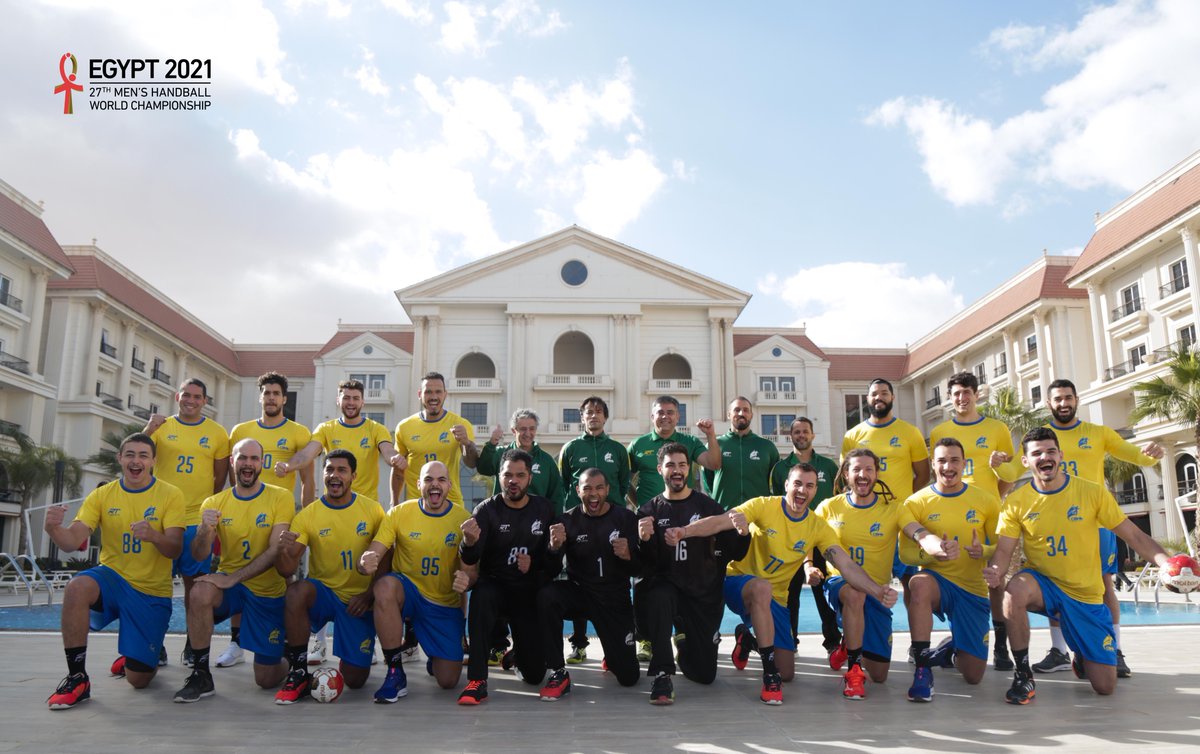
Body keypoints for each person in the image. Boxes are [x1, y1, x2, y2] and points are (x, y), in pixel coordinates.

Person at [983, 427, 1173, 704]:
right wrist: (996, 571)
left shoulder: (1092, 493)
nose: (1044, 457)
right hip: (1044, 583)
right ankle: (1023, 675)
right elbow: (1003, 549)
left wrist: (1167, 563)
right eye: (1036, 453)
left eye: (1050, 451)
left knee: (1105, 686)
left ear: (1060, 455)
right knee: (1014, 591)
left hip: (1085, 595)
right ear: (1025, 461)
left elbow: (1134, 536)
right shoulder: (1016, 502)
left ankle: (1083, 654)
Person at [678, 462, 890, 705]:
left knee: (787, 672)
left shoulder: (817, 527)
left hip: (775, 599)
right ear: (787, 485)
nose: (802, 490)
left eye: (809, 486)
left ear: (814, 491)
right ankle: (770, 677)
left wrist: (877, 591)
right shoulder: (763, 506)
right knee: (761, 588)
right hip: (740, 584)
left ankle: (748, 639)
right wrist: (683, 532)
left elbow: (845, 564)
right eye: (797, 483)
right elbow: (718, 522)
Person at [994, 378, 1163, 678]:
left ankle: (1115, 649)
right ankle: (1060, 650)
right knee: (1054, 577)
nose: (1063, 403)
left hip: (1094, 520)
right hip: (1051, 517)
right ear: (1049, 403)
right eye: (1057, 399)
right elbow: (1012, 471)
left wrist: (1148, 454)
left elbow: (1131, 453)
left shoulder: (1097, 433)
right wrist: (996, 465)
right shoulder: (1038, 440)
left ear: (1076, 399)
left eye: (1068, 397)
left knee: (1104, 584)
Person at [44, 433, 185, 709]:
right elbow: (73, 541)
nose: (136, 461)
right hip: (113, 578)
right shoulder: (103, 494)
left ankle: (140, 653)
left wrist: (154, 535)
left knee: (139, 679)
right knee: (77, 587)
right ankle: (77, 678)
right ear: (120, 458)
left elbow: (175, 549)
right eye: (130, 454)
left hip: (150, 592)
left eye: (143, 455)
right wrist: (53, 529)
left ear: (154, 461)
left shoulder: (170, 494)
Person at [276, 378, 401, 663]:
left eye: (356, 398)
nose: (351, 402)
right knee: (322, 567)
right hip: (331, 507)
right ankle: (316, 640)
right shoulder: (327, 429)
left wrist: (396, 460)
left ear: (363, 402)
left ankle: (367, 638)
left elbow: (387, 451)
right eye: (346, 397)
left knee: (370, 567)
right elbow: (309, 453)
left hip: (364, 511)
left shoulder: (375, 428)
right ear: (338, 401)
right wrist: (290, 465)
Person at [172, 439, 294, 702]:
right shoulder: (214, 502)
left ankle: (288, 657)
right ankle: (201, 673)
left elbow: (275, 551)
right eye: (242, 458)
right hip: (233, 587)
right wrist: (205, 530)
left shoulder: (280, 497)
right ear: (232, 462)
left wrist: (233, 577)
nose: (248, 464)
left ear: (262, 463)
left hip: (267, 590)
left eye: (253, 459)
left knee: (266, 679)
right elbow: (199, 554)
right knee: (199, 592)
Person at [636, 443, 750, 705]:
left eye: (682, 465)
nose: (677, 471)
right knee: (659, 595)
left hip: (702, 595)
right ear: (659, 469)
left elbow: (735, 552)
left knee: (704, 674)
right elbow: (643, 566)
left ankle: (683, 641)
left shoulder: (709, 507)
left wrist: (743, 533)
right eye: (670, 465)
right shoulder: (648, 511)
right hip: (668, 590)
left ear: (690, 468)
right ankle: (662, 673)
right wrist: (643, 541)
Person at [272, 450, 385, 704]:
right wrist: (282, 550)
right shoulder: (309, 514)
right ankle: (298, 670)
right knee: (296, 591)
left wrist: (369, 596)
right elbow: (287, 570)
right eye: (329, 469)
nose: (334, 475)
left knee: (355, 681)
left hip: (357, 602)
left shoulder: (372, 510)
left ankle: (358, 651)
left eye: (342, 470)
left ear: (353, 476)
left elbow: (386, 559)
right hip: (324, 594)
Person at [898, 438, 1001, 702]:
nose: (948, 466)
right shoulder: (915, 502)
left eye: (954, 460)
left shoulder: (986, 501)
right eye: (942, 460)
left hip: (973, 589)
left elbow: (998, 546)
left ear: (964, 464)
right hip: (938, 582)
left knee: (973, 675)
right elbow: (906, 554)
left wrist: (984, 552)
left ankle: (950, 649)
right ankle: (922, 667)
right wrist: (933, 554)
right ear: (933, 465)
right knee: (918, 583)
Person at [223, 371, 315, 668]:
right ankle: (236, 643)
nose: (272, 398)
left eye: (277, 393)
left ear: (284, 399)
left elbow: (308, 479)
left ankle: (286, 639)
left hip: (280, 515)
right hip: (242, 512)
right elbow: (231, 472)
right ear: (260, 397)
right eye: (267, 393)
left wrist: (307, 515)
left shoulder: (299, 432)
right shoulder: (241, 430)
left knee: (283, 574)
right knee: (238, 570)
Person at [361, 460, 473, 702]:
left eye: (441, 480)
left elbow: (469, 572)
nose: (435, 484)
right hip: (408, 593)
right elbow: (375, 550)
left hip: (442, 604)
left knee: (448, 681)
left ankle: (434, 651)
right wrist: (367, 559)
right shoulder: (400, 512)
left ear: (449, 485)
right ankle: (394, 671)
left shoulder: (462, 519)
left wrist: (467, 579)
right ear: (418, 483)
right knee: (385, 587)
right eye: (429, 479)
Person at [929, 371, 1019, 671]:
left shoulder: (997, 428)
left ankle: (1001, 645)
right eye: (956, 393)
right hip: (951, 513)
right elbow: (938, 473)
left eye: (967, 392)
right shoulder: (939, 431)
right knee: (955, 573)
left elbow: (1011, 473)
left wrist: (994, 496)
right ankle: (959, 640)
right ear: (950, 397)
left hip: (988, 514)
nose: (961, 398)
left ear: (976, 395)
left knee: (995, 576)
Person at [457, 449, 557, 705]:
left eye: (520, 475)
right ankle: (477, 680)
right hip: (496, 589)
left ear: (529, 479)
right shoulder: (486, 510)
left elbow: (554, 565)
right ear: (499, 477)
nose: (513, 480)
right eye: (508, 475)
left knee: (535, 676)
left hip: (527, 593)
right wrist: (468, 543)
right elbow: (470, 560)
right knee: (482, 595)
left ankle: (516, 657)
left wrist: (535, 564)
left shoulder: (544, 510)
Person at [626, 395, 720, 662]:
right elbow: (625, 481)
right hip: (651, 521)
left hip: (686, 519)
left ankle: (682, 630)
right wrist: (640, 506)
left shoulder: (688, 442)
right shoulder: (638, 445)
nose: (665, 416)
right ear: (652, 416)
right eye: (660, 412)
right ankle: (645, 637)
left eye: (670, 412)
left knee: (685, 574)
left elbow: (714, 463)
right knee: (645, 578)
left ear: (678, 417)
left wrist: (711, 435)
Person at [145, 377, 231, 667]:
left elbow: (219, 478)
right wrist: (148, 427)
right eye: (186, 395)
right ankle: (154, 644)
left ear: (205, 401)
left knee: (195, 588)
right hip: (163, 520)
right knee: (157, 587)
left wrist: (206, 510)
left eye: (197, 396)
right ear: (177, 396)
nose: (191, 400)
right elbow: (138, 455)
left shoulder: (217, 433)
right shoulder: (161, 427)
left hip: (196, 521)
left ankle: (193, 646)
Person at [536, 468, 642, 700]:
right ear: (577, 491)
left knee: (628, 677)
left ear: (608, 490)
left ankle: (613, 653)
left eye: (598, 488)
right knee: (547, 595)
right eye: (587, 488)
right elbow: (551, 571)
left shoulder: (625, 519)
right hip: (581, 595)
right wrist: (554, 548)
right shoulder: (566, 521)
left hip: (615, 599)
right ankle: (557, 670)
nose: (593, 494)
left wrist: (629, 556)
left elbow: (640, 569)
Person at [476, 409, 567, 665]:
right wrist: (492, 443)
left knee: (532, 591)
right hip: (502, 533)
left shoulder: (546, 462)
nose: (526, 433)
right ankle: (497, 644)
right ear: (513, 430)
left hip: (535, 536)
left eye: (531, 429)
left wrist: (554, 530)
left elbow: (556, 495)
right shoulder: (502, 455)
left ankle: (525, 647)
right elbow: (482, 466)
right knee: (493, 585)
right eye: (521, 429)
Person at [815, 449, 904, 699]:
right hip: (839, 583)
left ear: (876, 473)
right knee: (855, 595)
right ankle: (853, 670)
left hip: (877, 591)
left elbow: (916, 530)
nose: (862, 475)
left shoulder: (893, 508)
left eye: (869, 469)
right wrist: (808, 565)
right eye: (856, 469)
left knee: (880, 675)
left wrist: (935, 544)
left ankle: (848, 644)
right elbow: (808, 536)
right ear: (845, 474)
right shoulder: (828, 507)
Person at [842, 378, 929, 633]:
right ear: (867, 399)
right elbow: (847, 476)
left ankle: (917, 643)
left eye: (884, 393)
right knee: (862, 581)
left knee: (910, 582)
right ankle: (858, 639)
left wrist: (902, 505)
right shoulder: (853, 435)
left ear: (892, 398)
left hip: (900, 521)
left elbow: (922, 475)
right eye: (873, 394)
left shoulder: (909, 432)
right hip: (865, 521)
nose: (878, 397)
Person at [769, 416, 842, 662]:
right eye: (796, 432)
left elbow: (839, 498)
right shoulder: (781, 468)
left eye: (805, 431)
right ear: (791, 436)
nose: (801, 435)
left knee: (823, 591)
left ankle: (833, 642)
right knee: (790, 593)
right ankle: (790, 641)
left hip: (821, 537)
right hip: (792, 539)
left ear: (812, 435)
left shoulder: (829, 466)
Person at [391, 371, 479, 507]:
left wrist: (466, 443)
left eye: (438, 392)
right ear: (420, 394)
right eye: (428, 392)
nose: (434, 397)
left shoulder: (461, 424)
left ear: (445, 394)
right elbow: (398, 470)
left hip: (451, 503)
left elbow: (471, 463)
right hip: (416, 504)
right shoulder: (404, 427)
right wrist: (394, 502)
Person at [702, 396, 779, 510]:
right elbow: (707, 480)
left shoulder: (767, 447)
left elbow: (776, 481)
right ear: (729, 415)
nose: (741, 413)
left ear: (751, 415)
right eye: (736, 410)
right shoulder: (714, 445)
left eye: (746, 410)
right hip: (724, 514)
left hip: (759, 516)